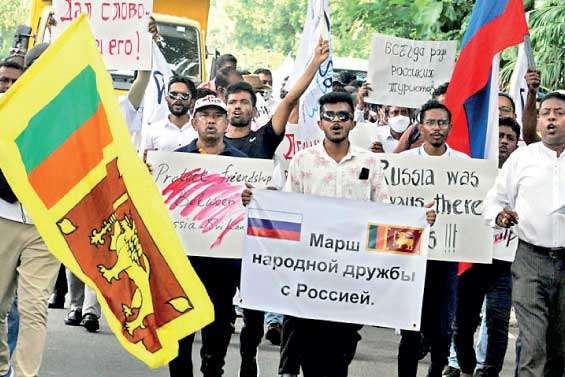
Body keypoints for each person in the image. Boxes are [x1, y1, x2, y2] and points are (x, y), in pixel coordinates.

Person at [242, 91, 389, 377]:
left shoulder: (369, 163)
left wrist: (420, 220)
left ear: (353, 123)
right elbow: (287, 212)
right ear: (320, 123)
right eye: (329, 116)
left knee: (340, 350)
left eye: (343, 116)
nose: (336, 122)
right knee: (302, 340)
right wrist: (260, 202)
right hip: (308, 270)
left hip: (350, 275)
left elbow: (384, 214)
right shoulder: (302, 161)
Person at [484, 91, 565, 377]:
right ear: (539, 121)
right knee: (533, 342)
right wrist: (500, 215)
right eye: (546, 113)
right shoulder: (523, 158)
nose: (552, 118)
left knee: (559, 347)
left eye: (559, 112)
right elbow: (494, 200)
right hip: (530, 259)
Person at [168, 95, 246, 377]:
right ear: (194, 122)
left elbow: (255, 210)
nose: (211, 120)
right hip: (184, 262)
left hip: (223, 266)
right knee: (180, 335)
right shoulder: (174, 161)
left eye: (217, 115)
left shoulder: (243, 164)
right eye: (204, 115)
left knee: (217, 334)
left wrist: (252, 197)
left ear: (226, 123)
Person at [0, 50, 61, 377]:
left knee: (33, 308)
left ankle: (24, 374)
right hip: (3, 217)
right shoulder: (4, 108)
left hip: (46, 225)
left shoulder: (69, 109)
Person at [399, 100, 468, 377]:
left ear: (450, 127)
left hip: (447, 258)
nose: (437, 128)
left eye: (442, 123)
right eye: (431, 123)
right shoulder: (403, 164)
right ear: (420, 126)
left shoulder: (465, 165)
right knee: (410, 329)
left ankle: (435, 372)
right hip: (411, 258)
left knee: (442, 329)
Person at [452, 117, 521, 377]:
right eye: (500, 136)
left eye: (509, 138)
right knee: (464, 322)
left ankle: (489, 371)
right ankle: (467, 368)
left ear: (516, 144)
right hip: (472, 257)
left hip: (505, 261)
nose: (504, 142)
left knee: (497, 318)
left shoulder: (523, 173)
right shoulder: (471, 168)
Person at [139, 76, 198, 153]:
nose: (178, 99)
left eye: (184, 96)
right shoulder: (153, 130)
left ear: (192, 102)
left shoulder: (200, 130)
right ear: (167, 99)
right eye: (173, 94)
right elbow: (142, 161)